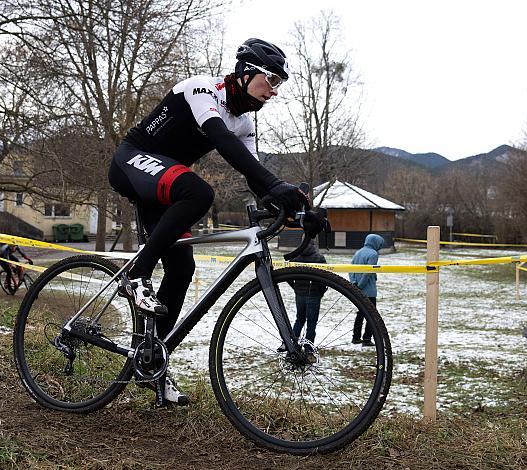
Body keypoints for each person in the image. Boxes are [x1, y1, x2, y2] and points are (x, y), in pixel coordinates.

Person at [108, 38, 309, 405]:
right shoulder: (203, 89)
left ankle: (151, 364)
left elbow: (254, 174)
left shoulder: (244, 122)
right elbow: (221, 141)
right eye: (272, 81)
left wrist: (297, 207)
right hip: (132, 161)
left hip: (165, 186)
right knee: (200, 193)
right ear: (247, 73)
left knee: (182, 268)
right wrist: (275, 185)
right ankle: (136, 276)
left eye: (280, 85)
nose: (274, 92)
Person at [349, 234, 384, 346]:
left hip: (357, 288)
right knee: (372, 315)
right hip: (368, 290)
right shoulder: (373, 254)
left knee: (360, 313)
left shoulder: (358, 252)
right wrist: (361, 285)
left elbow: (351, 269)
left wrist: (354, 283)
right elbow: (368, 272)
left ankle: (355, 337)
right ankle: (367, 339)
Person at [290, 241, 327, 350]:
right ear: (314, 243)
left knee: (299, 320)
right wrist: (321, 291)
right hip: (314, 294)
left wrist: (295, 286)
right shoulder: (319, 258)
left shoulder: (296, 257)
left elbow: (287, 274)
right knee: (312, 323)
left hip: (300, 294)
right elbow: (325, 277)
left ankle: (292, 345)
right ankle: (308, 348)